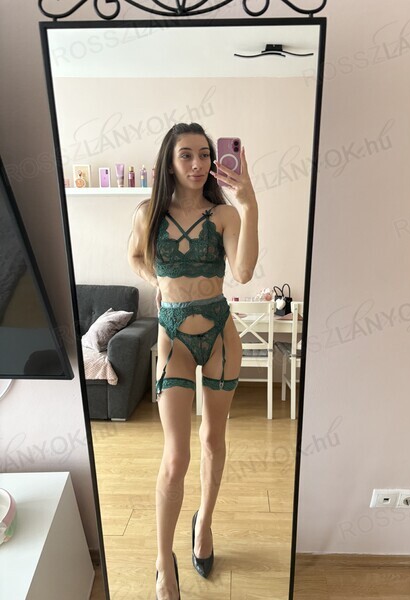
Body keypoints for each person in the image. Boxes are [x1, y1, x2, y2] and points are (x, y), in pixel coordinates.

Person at [128, 122, 258, 600]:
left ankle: (204, 524)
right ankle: (164, 562)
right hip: (174, 341)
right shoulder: (148, 214)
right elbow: (136, 258)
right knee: (176, 457)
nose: (199, 163)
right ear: (169, 161)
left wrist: (249, 203)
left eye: (205, 154)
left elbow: (243, 271)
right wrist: (161, 285)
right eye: (187, 154)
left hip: (221, 336)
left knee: (213, 439)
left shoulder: (224, 215)